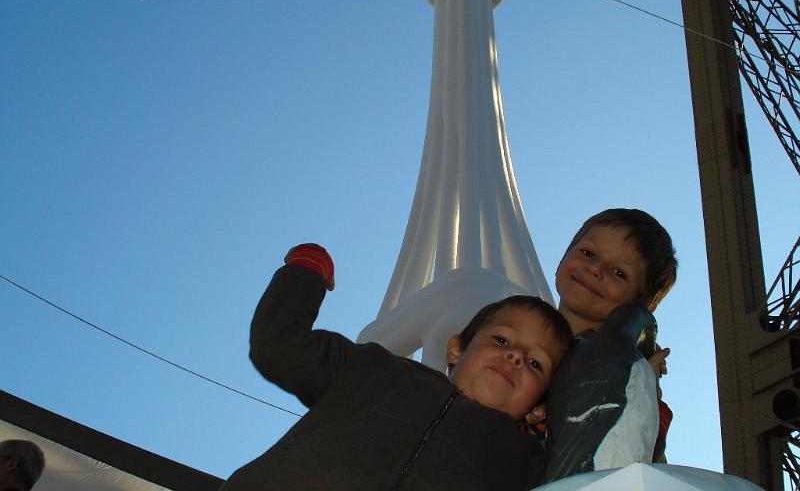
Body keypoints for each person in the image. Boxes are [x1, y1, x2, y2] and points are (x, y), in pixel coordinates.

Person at [221, 243, 573, 491]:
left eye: (534, 363)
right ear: (456, 348)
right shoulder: (374, 370)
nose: (514, 357)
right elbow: (280, 348)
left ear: (539, 409)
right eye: (501, 340)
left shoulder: (526, 465)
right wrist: (306, 271)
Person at [529, 208, 677, 463]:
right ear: (561, 260)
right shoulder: (517, 332)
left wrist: (643, 387)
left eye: (619, 272)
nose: (595, 269)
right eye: (588, 253)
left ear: (637, 307)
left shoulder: (630, 374)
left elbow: (643, 451)